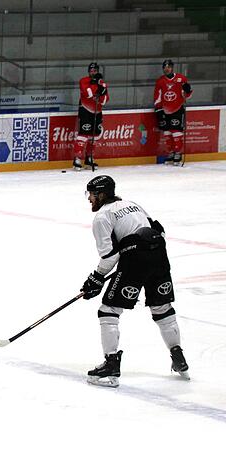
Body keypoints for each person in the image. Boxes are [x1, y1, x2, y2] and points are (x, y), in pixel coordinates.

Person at [80, 175, 189, 387]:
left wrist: (97, 278)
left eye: (91, 194)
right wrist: (143, 253)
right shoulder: (132, 205)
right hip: (159, 255)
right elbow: (159, 230)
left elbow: (110, 256)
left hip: (136, 260)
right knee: (162, 308)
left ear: (101, 194)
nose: (89, 199)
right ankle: (178, 357)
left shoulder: (102, 217)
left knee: (108, 310)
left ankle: (111, 364)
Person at [153, 59, 192, 166]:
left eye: (169, 67)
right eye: (165, 67)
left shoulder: (181, 78)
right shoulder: (160, 81)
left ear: (172, 68)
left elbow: (187, 95)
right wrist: (158, 109)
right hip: (165, 110)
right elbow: (157, 96)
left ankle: (177, 153)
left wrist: (188, 90)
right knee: (167, 132)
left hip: (177, 109)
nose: (167, 69)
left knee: (176, 132)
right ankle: (171, 152)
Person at [73, 62, 109, 171]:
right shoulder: (83, 80)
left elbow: (105, 99)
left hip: (97, 112)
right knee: (83, 135)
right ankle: (77, 159)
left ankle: (89, 158)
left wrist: (101, 93)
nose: (93, 72)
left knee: (94, 136)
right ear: (88, 72)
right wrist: (98, 89)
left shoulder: (102, 83)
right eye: (91, 71)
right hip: (85, 110)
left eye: (95, 71)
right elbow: (87, 93)